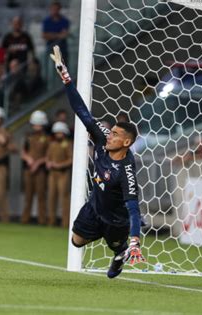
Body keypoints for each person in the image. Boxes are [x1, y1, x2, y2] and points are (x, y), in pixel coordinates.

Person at [51, 45, 145, 278]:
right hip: (95, 208)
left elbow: (134, 209)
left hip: (116, 219)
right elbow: (82, 111)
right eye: (110, 131)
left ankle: (121, 250)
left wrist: (135, 240)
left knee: (116, 248)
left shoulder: (126, 172)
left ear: (126, 143)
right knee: (76, 241)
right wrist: (66, 78)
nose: (108, 135)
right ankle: (114, 245)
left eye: (114, 134)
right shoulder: (102, 142)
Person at [20, 110, 50, 224]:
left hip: (40, 170)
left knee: (41, 196)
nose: (37, 126)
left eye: (39, 124)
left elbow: (49, 155)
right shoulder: (28, 137)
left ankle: (42, 220)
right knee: (28, 196)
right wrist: (28, 159)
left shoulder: (47, 138)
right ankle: (24, 219)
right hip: (28, 169)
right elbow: (23, 152)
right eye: (35, 123)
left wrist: (38, 163)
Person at [46, 121, 72, 227]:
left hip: (63, 173)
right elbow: (47, 156)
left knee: (64, 198)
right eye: (56, 133)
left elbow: (71, 159)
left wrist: (59, 165)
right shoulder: (52, 144)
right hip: (52, 174)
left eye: (60, 132)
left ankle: (65, 222)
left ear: (64, 133)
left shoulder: (68, 144)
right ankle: (51, 221)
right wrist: (48, 162)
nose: (58, 135)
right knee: (51, 197)